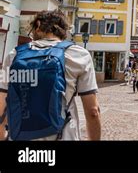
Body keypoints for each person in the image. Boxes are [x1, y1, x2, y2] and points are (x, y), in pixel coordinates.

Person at [0, 10, 101, 140]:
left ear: (38, 24)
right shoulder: (78, 54)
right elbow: (93, 111)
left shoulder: (14, 55)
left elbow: (2, 105)